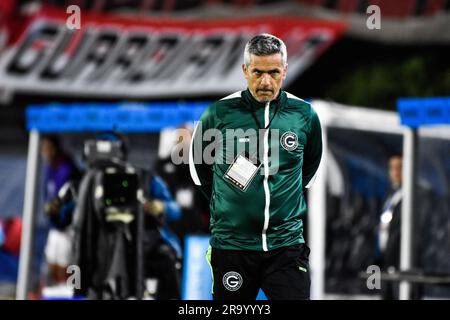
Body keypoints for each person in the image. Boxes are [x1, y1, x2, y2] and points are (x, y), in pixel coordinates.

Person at [189, 34, 322, 300]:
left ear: (285, 70)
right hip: (232, 247)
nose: (265, 81)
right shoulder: (219, 113)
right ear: (245, 70)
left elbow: (308, 171)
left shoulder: (304, 115)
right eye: (257, 72)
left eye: (273, 72)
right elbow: (198, 169)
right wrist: (227, 207)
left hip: (285, 246)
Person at [377, 154, 426, 300]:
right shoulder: (391, 196)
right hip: (388, 263)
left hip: (403, 264)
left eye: (400, 167)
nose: (395, 172)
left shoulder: (414, 196)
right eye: (392, 168)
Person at [40, 135, 81, 287]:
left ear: (56, 149)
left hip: (69, 227)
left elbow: (71, 198)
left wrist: (62, 210)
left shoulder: (68, 169)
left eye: (48, 148)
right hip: (56, 226)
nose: (45, 152)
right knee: (52, 259)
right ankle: (54, 289)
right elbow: (48, 196)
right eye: (43, 149)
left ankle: (73, 290)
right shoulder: (50, 169)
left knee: (69, 262)